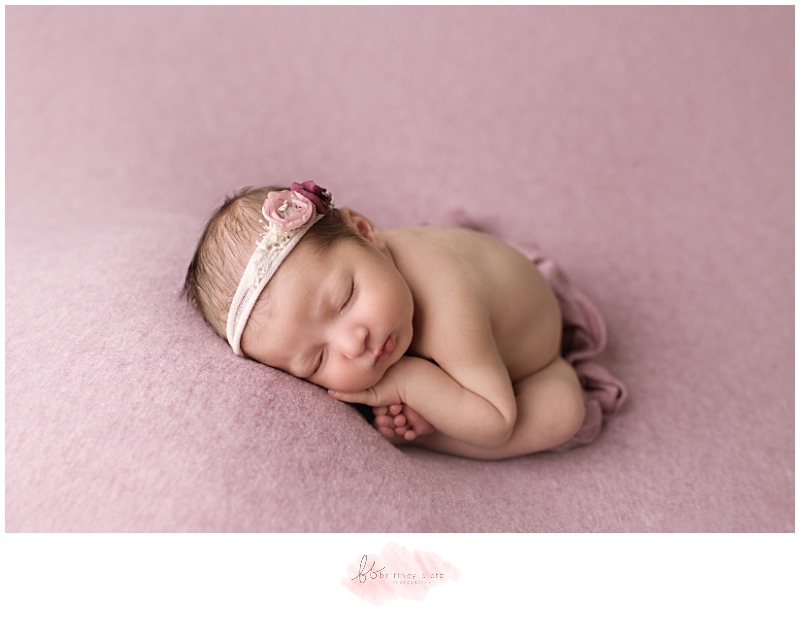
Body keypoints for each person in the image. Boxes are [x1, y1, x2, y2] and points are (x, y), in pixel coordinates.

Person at [184, 181, 626, 460]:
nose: (352, 343)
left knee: (563, 413)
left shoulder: (451, 307)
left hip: (530, 358)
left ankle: (434, 432)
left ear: (364, 232)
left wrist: (410, 384)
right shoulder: (369, 275)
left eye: (345, 300)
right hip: (476, 296)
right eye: (316, 361)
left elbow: (497, 420)